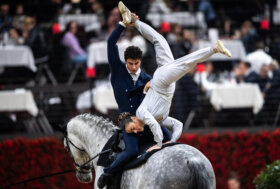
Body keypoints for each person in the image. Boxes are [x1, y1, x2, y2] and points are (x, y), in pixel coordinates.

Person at [117, 1, 231, 149]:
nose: (137, 131)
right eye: (134, 132)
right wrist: (173, 140)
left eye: (133, 128)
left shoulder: (140, 113)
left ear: (133, 118)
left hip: (161, 82)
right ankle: (133, 21)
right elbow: (178, 124)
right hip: (166, 83)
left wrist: (159, 144)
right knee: (159, 40)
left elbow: (153, 126)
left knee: (185, 63)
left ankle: (214, 49)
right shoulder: (160, 119)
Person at [97, 3, 172, 188]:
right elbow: (110, 43)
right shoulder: (118, 71)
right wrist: (123, 24)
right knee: (130, 151)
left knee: (169, 137)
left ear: (140, 61)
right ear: (126, 61)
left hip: (144, 121)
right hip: (128, 123)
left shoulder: (147, 77)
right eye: (130, 63)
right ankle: (108, 173)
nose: (133, 67)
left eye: (136, 63)